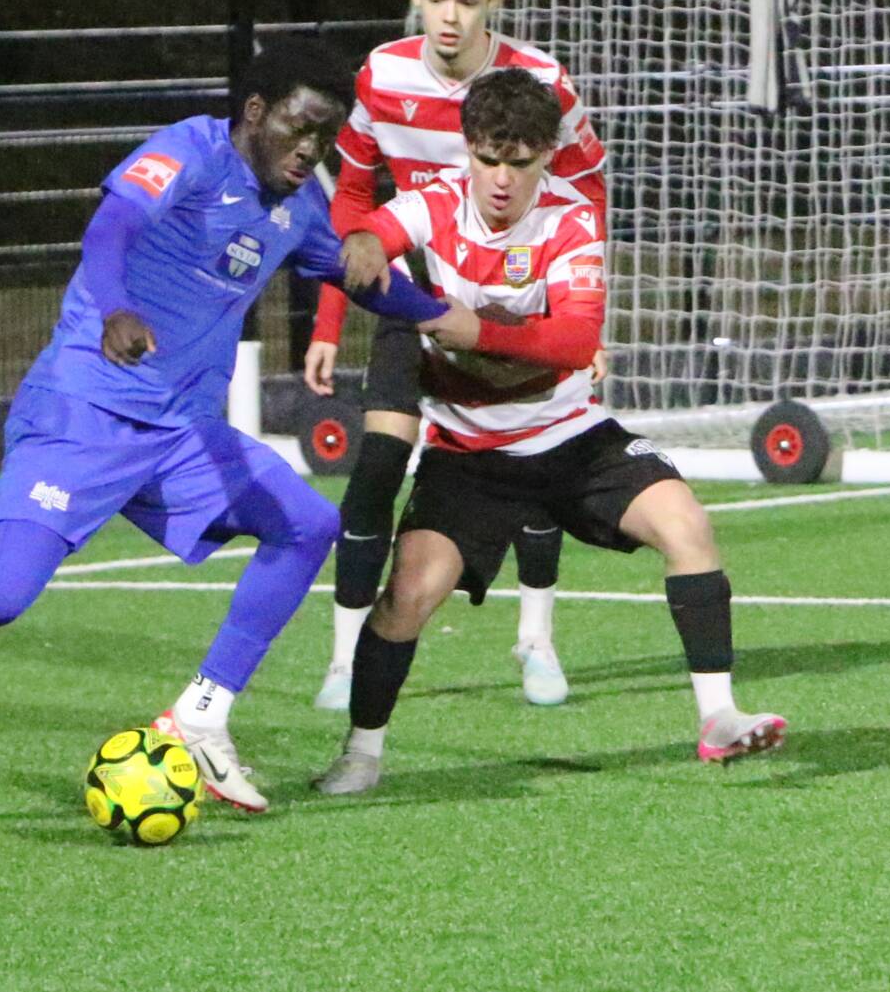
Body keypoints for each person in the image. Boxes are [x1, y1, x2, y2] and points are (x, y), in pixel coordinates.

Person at [0, 37, 449, 811]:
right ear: (256, 112)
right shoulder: (189, 152)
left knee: (307, 523)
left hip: (180, 434)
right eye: (301, 126)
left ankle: (200, 714)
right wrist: (115, 306)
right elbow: (109, 229)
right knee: (3, 593)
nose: (311, 149)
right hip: (86, 412)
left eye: (327, 135)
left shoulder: (297, 206)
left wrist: (449, 319)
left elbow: (366, 282)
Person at [311, 69, 784, 796]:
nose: (502, 180)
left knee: (686, 524)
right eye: (487, 159)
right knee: (408, 595)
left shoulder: (571, 218)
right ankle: (361, 754)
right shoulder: (435, 202)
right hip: (469, 455)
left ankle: (718, 717)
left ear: (547, 158)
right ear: (468, 149)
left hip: (570, 437)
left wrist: (472, 330)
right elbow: (376, 227)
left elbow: (574, 340)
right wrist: (368, 241)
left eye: (521, 163)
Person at [302, 0, 607, 713]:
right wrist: (329, 319)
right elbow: (354, 199)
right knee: (376, 469)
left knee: (536, 466)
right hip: (414, 301)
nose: (449, 18)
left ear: (493, 3)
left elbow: (588, 194)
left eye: (468, 1)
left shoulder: (542, 82)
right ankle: (345, 656)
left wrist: (585, 324)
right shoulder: (382, 74)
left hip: (518, 305)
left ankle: (536, 639)